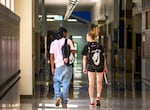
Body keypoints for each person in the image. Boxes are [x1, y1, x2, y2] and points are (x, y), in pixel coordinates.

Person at [50, 27, 75, 108]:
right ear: (64, 33)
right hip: (67, 66)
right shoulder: (69, 41)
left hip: (58, 65)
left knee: (56, 82)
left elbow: (52, 56)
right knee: (66, 84)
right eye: (66, 33)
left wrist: (52, 68)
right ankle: (64, 101)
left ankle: (57, 96)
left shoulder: (53, 43)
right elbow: (73, 53)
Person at [82, 31, 108, 107]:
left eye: (87, 36)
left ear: (90, 37)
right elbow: (104, 57)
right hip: (100, 66)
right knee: (99, 82)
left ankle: (92, 101)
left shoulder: (87, 46)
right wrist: (105, 66)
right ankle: (98, 97)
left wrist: (84, 67)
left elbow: (84, 58)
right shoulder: (100, 45)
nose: (86, 37)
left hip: (90, 66)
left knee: (91, 83)